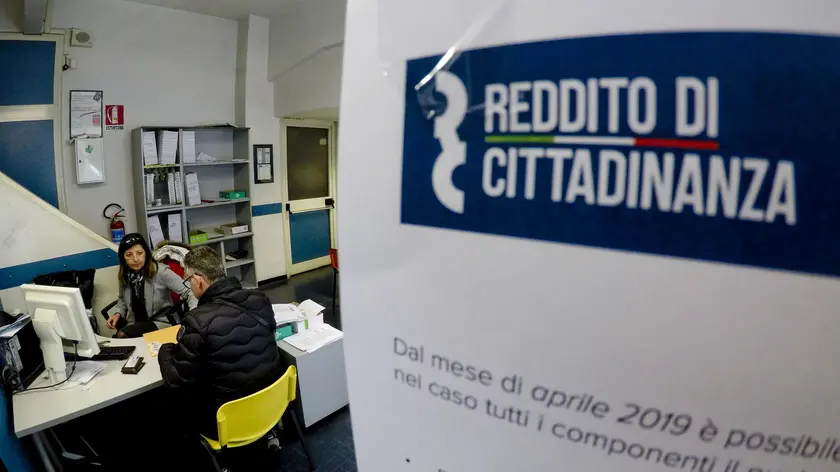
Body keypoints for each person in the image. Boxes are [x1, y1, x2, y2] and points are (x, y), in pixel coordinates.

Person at [158, 246, 285, 440]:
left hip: (226, 422)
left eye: (187, 280)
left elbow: (176, 381)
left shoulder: (197, 320)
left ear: (198, 281)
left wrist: (165, 349)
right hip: (272, 405)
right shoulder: (260, 298)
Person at [106, 233, 197, 338]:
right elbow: (122, 299)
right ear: (123, 258)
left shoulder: (161, 272)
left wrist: (193, 314)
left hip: (159, 322)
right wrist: (118, 314)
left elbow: (189, 291)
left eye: (139, 253)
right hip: (135, 322)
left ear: (146, 253)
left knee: (122, 335)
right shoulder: (125, 274)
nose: (135, 259)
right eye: (129, 255)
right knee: (121, 340)